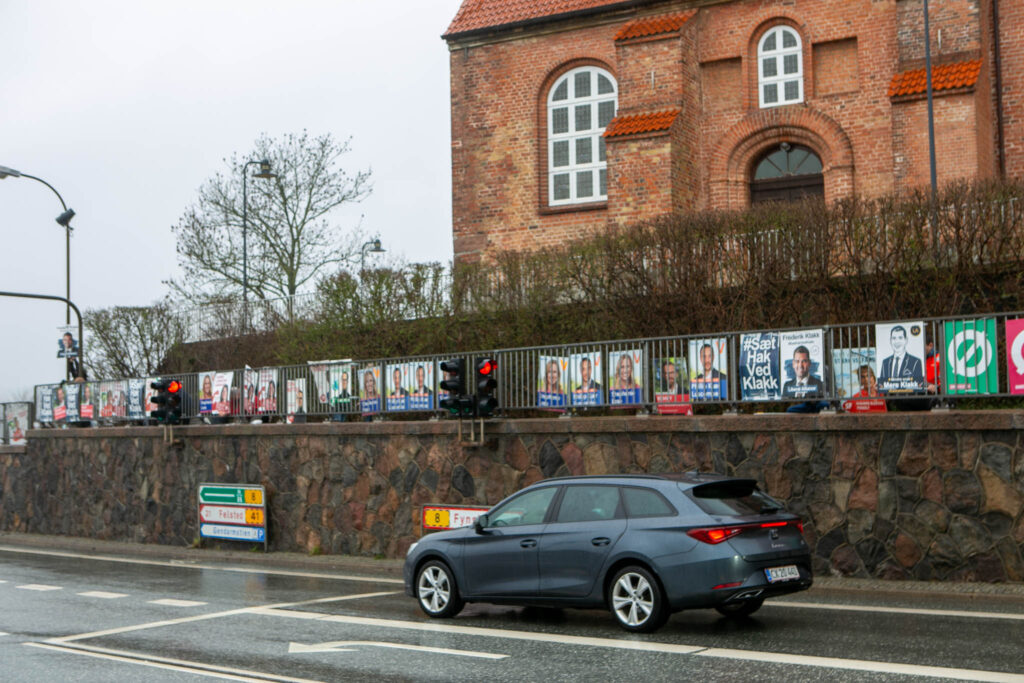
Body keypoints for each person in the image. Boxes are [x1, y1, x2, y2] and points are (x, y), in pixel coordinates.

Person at [877, 325, 924, 392]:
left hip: (909, 399)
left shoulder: (915, 361)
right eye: (894, 338)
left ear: (906, 340)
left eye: (900, 338)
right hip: (890, 399)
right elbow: (882, 385)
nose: (897, 342)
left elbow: (918, 385)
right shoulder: (885, 362)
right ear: (890, 341)